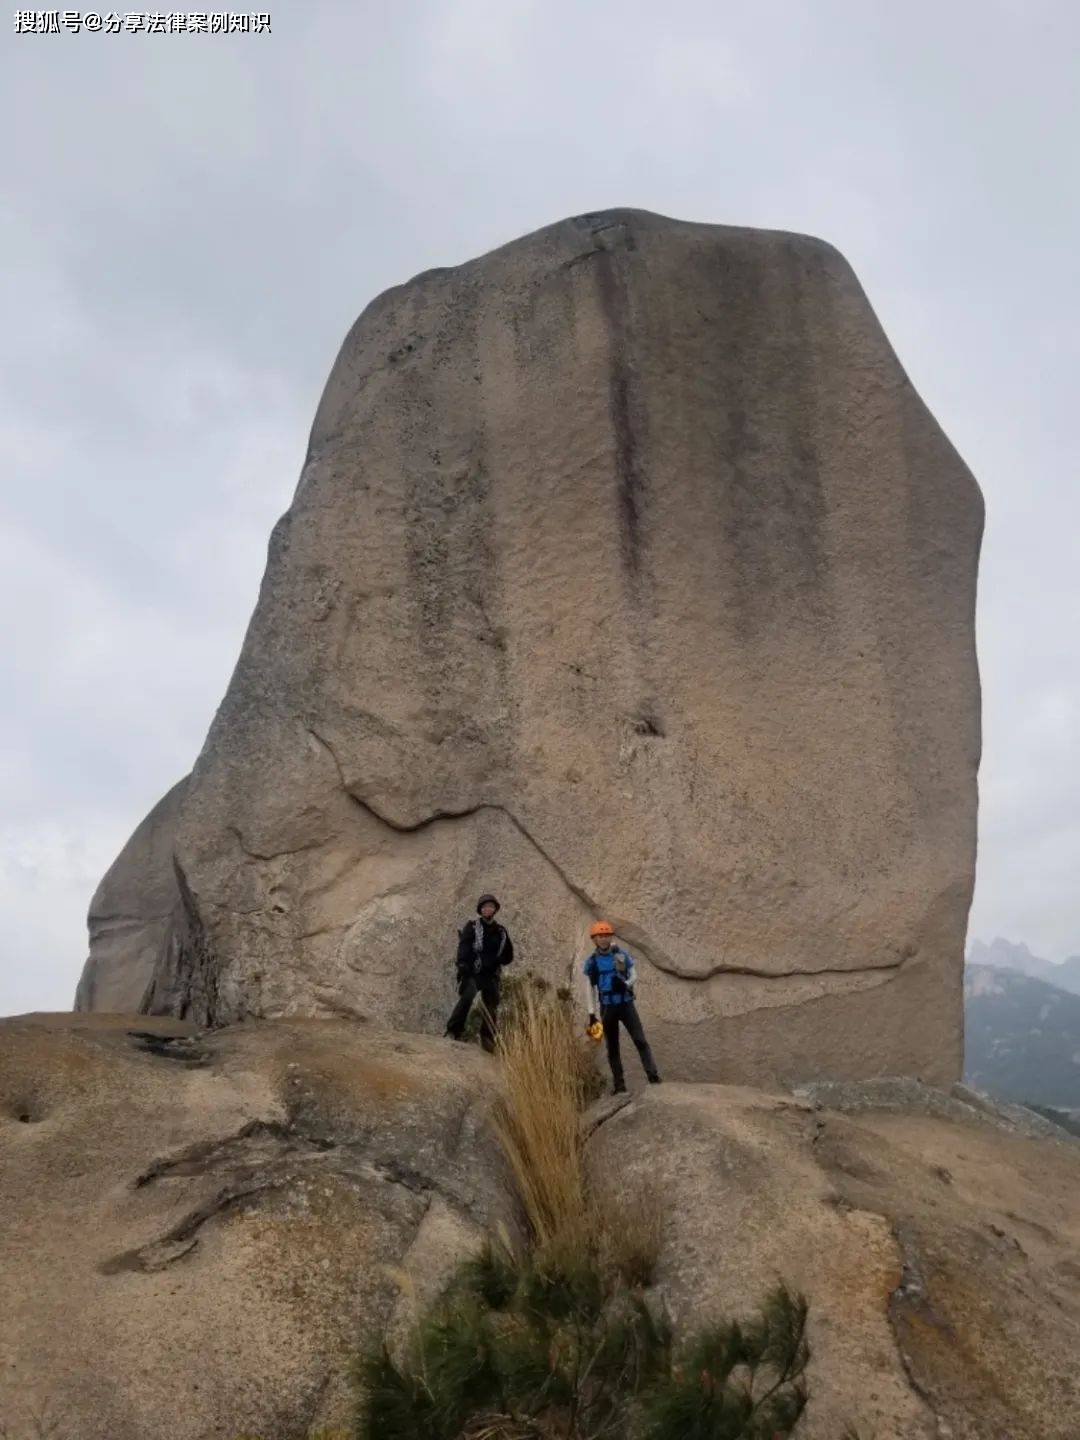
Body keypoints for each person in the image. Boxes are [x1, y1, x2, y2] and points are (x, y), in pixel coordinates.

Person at [583, 920, 661, 1094]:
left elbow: (634, 974)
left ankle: (653, 1075)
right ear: (594, 939)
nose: (604, 939)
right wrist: (591, 1013)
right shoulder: (592, 962)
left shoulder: (621, 955)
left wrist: (626, 984)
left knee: (640, 1040)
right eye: (600, 936)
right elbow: (589, 987)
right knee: (613, 1047)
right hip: (607, 1007)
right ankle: (619, 1085)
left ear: (611, 937)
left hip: (626, 1004)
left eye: (607, 935)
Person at [445, 893, 514, 1051]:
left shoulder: (501, 932)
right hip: (474, 972)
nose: (487, 909)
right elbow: (464, 946)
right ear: (480, 910)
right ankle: (454, 1030)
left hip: (491, 974)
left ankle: (488, 1039)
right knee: (467, 997)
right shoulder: (472, 926)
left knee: (491, 1004)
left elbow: (508, 955)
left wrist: (497, 961)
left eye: (490, 906)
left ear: (495, 909)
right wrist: (462, 964)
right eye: (484, 907)